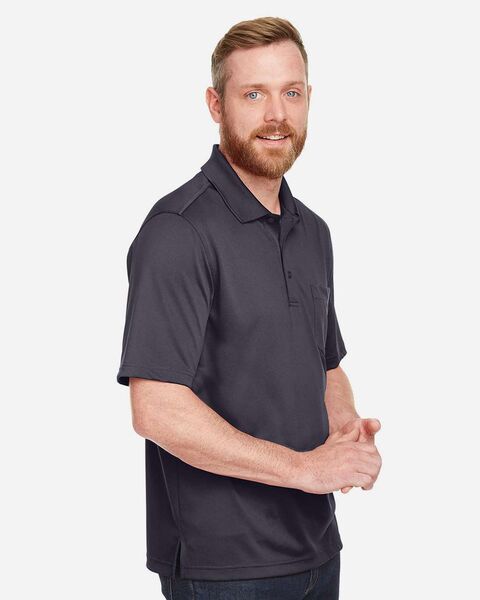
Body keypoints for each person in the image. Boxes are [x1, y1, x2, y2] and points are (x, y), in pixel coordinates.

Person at [116, 16, 382, 600]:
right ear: (216, 105)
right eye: (254, 94)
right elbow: (155, 408)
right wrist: (305, 469)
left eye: (291, 93)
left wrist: (345, 430)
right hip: (222, 568)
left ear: (309, 99)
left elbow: (326, 366)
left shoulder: (314, 232)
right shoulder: (177, 231)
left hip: (317, 548)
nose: (276, 115)